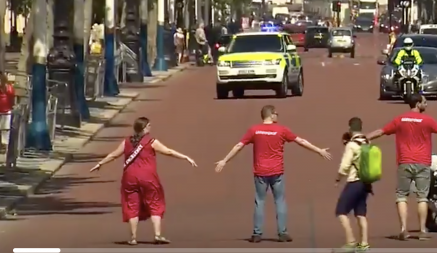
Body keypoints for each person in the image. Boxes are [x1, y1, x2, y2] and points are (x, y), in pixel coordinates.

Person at [215, 105, 332, 243]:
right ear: (270, 115)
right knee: (280, 201)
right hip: (277, 172)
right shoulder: (281, 130)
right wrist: (318, 150)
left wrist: (225, 160)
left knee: (260, 201)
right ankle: (282, 233)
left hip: (260, 172)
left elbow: (239, 145)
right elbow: (300, 141)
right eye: (276, 113)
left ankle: (257, 234)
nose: (277, 115)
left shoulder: (254, 130)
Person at [366, 94, 437, 241]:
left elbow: (381, 131)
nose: (426, 104)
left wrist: (363, 137)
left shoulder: (400, 119)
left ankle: (403, 230)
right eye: (424, 102)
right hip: (422, 163)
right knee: (422, 198)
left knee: (401, 196)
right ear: (418, 103)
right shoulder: (428, 120)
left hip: (404, 162)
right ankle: (422, 230)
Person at [89, 117, 197, 245]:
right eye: (149, 125)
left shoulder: (127, 142)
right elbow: (168, 151)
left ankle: (133, 238)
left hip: (130, 178)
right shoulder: (151, 142)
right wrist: (185, 157)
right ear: (144, 128)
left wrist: (100, 163)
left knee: (132, 205)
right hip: (148, 177)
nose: (150, 127)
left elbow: (113, 155)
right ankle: (157, 235)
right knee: (155, 203)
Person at [335, 117, 372, 251]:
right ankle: (364, 243)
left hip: (354, 181)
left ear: (350, 128)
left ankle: (350, 241)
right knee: (361, 213)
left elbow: (345, 166)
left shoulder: (351, 145)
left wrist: (338, 178)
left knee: (341, 211)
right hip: (366, 183)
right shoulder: (367, 142)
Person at [0, 72, 15, 152]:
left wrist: (11, 107)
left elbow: (12, 99)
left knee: (5, 129)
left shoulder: (9, 88)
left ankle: (4, 146)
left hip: (6, 111)